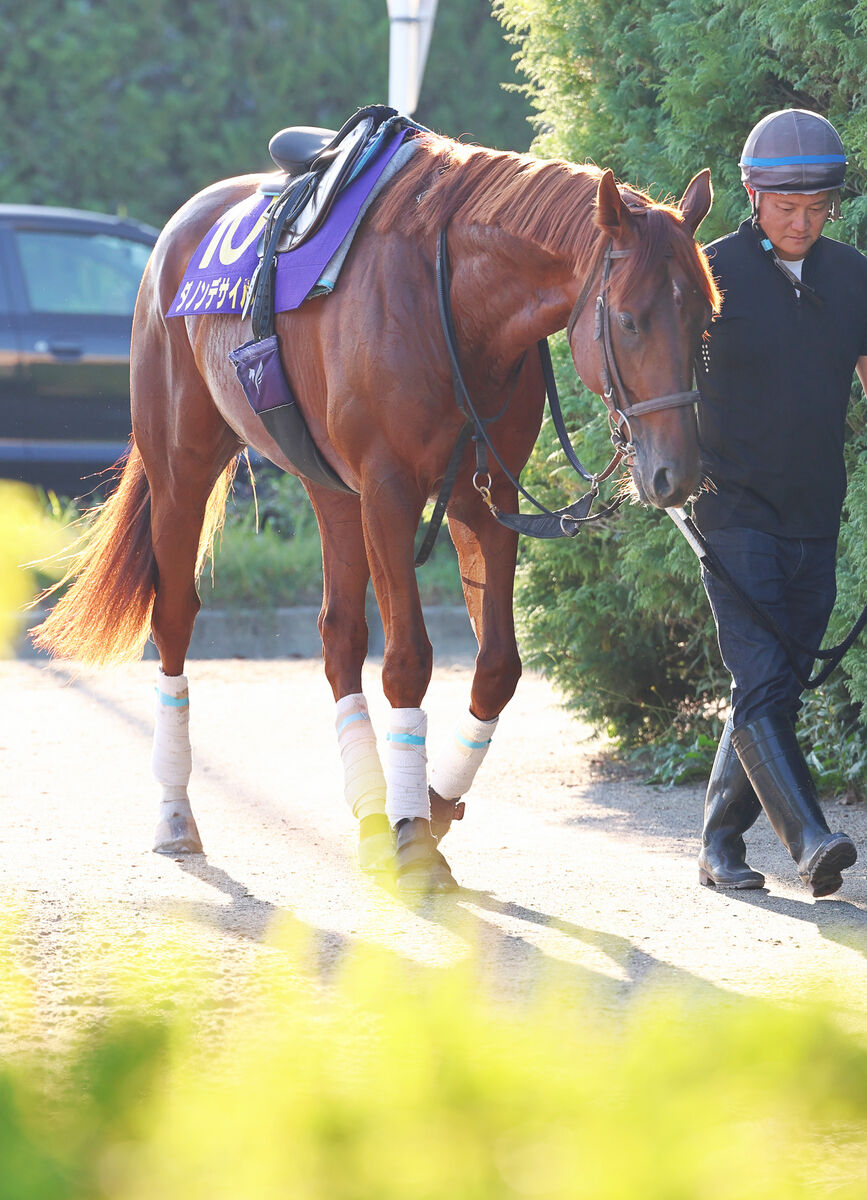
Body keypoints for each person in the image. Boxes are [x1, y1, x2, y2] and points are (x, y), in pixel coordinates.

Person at [692, 109, 867, 898]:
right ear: (752, 196)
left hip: (812, 512)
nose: (801, 223)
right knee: (762, 677)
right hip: (729, 509)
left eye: (815, 209)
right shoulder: (707, 271)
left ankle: (717, 845)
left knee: (775, 688)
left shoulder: (852, 275)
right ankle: (810, 841)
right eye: (784, 208)